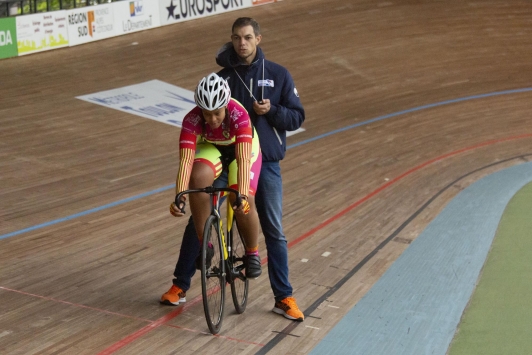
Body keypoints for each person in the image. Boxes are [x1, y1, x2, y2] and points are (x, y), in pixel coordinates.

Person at [161, 17, 306, 322]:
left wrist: (273, 111)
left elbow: (297, 118)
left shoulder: (278, 75)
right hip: (222, 157)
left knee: (273, 229)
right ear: (232, 40)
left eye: (248, 37)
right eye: (237, 38)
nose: (242, 43)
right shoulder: (221, 79)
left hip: (261, 160)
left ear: (258, 39)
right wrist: (180, 194)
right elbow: (193, 148)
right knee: (199, 213)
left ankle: (284, 296)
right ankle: (180, 285)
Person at [169, 72, 263, 281]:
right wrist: (180, 197)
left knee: (241, 197)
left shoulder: (239, 115)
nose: (211, 119)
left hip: (243, 151)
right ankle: (206, 245)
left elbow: (244, 159)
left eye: (217, 113)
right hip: (213, 148)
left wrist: (243, 196)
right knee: (197, 177)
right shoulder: (192, 119)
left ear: (226, 105)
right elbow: (186, 161)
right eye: (206, 113)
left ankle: (252, 252)